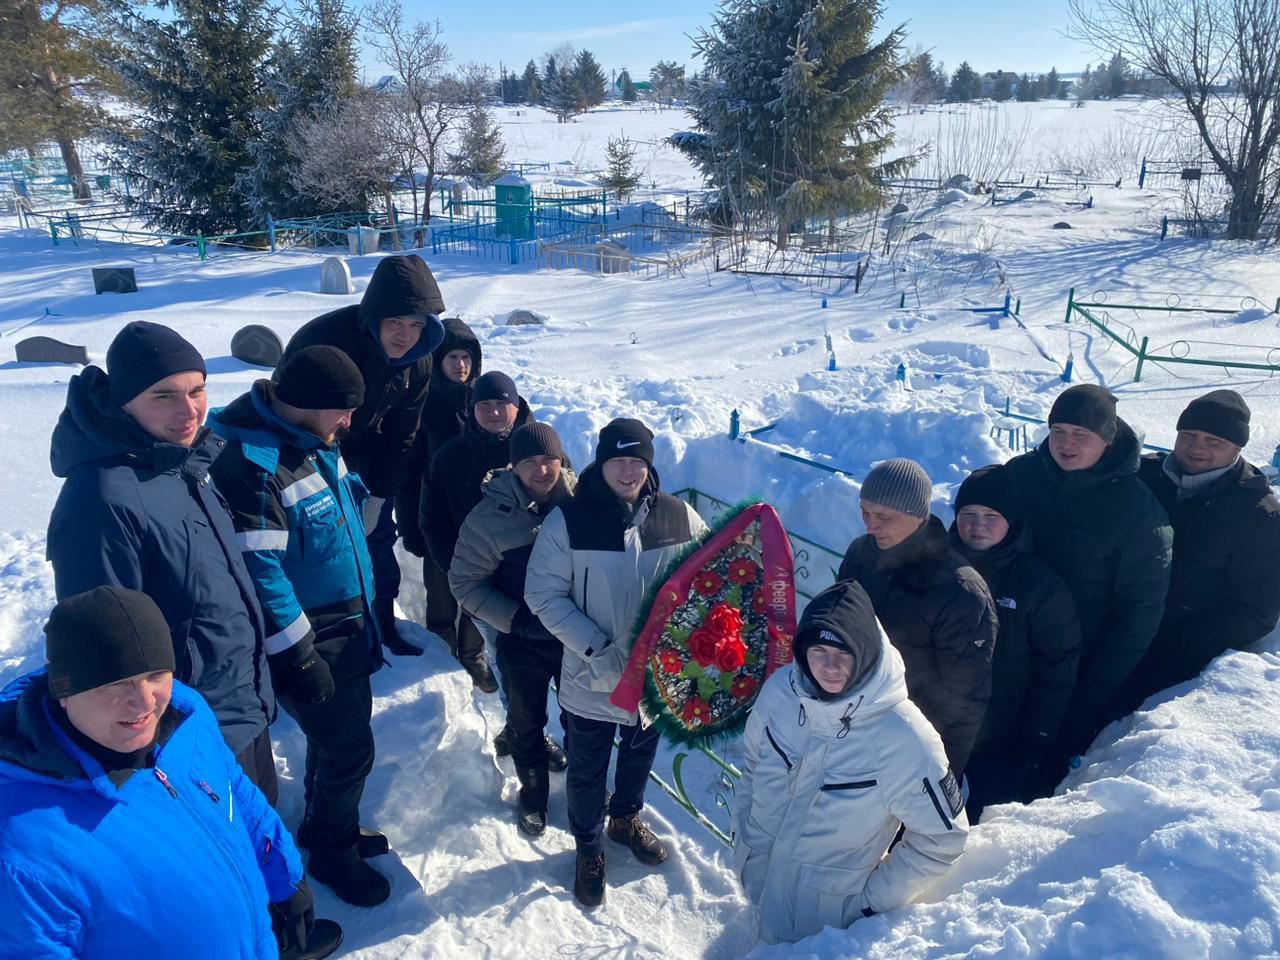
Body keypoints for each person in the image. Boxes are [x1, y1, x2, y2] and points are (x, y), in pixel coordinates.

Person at [0, 586, 341, 960]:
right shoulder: (22, 852)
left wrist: (284, 877)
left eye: (155, 673)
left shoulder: (183, 715)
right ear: (64, 691)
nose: (145, 701)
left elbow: (236, 795)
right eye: (116, 683)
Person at [46, 321, 278, 800]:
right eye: (164, 396)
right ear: (123, 402)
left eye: (197, 390)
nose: (189, 411)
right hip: (183, 739)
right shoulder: (102, 499)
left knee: (263, 840)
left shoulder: (183, 465)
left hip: (239, 711)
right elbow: (106, 648)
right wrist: (147, 749)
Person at [209, 346, 391, 908]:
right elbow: (260, 571)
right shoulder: (256, 465)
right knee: (349, 748)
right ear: (307, 403)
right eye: (342, 410)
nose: (349, 422)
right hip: (314, 640)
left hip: (347, 626)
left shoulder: (314, 442)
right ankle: (332, 849)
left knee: (342, 743)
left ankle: (323, 822)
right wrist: (299, 656)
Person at [525, 417, 708, 908]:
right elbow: (542, 592)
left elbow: (708, 578)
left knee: (639, 754)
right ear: (601, 464)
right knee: (587, 768)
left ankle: (625, 819)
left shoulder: (678, 516)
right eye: (618, 461)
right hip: (593, 674)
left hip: (657, 677)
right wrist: (598, 648)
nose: (628, 472)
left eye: (638, 461)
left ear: (649, 466)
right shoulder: (571, 519)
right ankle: (588, 847)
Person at [734, 580, 969, 945]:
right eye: (818, 651)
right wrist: (746, 839)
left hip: (824, 928)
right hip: (758, 890)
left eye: (844, 655)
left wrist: (867, 906)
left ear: (866, 653)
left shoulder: (903, 736)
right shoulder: (781, 692)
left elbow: (943, 837)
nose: (829, 667)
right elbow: (752, 763)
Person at [280, 254, 446, 656]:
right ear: (375, 317)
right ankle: (315, 637)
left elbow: (401, 434)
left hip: (366, 459)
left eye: (415, 325)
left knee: (375, 542)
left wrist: (377, 494)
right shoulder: (326, 341)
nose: (405, 336)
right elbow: (286, 411)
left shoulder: (418, 362)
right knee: (316, 551)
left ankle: (382, 623)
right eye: (395, 323)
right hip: (306, 454)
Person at [1003, 384, 1172, 765]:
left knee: (1038, 767)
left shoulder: (1137, 512)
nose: (1067, 443)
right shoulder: (1021, 475)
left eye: (1082, 434)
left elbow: (1138, 616)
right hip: (1006, 650)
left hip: (1076, 667)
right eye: (1058, 431)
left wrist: (1091, 693)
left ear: (1108, 441)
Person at [1108, 390, 1280, 719]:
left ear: (1238, 447)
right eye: (1188, 435)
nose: (1196, 447)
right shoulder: (1142, 476)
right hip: (1108, 629)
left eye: (1214, 440)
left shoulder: (1259, 516)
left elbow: (1253, 613)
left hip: (1171, 657)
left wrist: (1179, 646)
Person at [449, 423, 576, 837]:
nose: (541, 471)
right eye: (529, 463)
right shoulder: (490, 517)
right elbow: (465, 583)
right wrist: (515, 619)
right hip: (523, 639)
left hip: (579, 637)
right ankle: (533, 793)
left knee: (584, 719)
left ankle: (585, 789)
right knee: (526, 719)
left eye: (549, 460)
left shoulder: (584, 503)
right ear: (514, 467)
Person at [836, 458, 997, 778]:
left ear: (917, 516)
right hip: (851, 724)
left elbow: (964, 701)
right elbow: (837, 624)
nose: (870, 525)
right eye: (865, 512)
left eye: (883, 516)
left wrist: (939, 778)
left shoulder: (960, 590)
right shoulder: (860, 553)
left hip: (909, 746)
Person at [949, 465, 1082, 817]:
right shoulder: (935, 566)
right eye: (968, 514)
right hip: (938, 726)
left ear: (1012, 521)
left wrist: (1036, 735)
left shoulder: (1037, 584)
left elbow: (1057, 664)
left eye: (991, 515)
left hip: (1003, 737)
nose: (978, 525)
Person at [421, 371, 533, 692]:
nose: (493, 412)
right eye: (484, 404)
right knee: (460, 605)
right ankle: (456, 659)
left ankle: (478, 658)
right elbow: (432, 516)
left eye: (502, 403)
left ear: (516, 406)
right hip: (460, 560)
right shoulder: (450, 455)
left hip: (519, 566)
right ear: (472, 409)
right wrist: (455, 564)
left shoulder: (537, 452)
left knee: (499, 626)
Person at [399, 318, 483, 656]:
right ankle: (442, 646)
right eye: (452, 358)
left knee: (482, 592)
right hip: (439, 521)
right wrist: (410, 526)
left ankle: (472, 651)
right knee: (442, 590)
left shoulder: (486, 402)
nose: (461, 365)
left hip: (482, 523)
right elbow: (408, 475)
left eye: (466, 357)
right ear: (437, 361)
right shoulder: (424, 407)